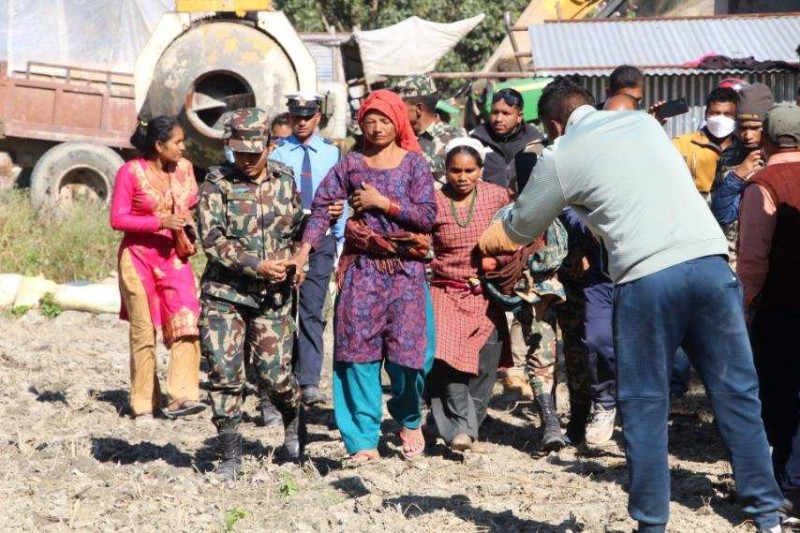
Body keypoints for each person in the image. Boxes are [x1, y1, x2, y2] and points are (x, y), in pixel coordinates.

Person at [479, 78, 785, 533]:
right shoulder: (643, 126)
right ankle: (766, 514)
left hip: (646, 278)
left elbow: (521, 226)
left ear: (554, 123)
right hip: (710, 263)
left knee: (644, 404)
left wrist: (488, 234)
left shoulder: (560, 155)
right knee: (738, 393)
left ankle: (651, 524)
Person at [291, 89, 437, 462]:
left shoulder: (415, 165)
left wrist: (382, 203)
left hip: (405, 270)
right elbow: (322, 207)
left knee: (409, 357)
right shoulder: (351, 165)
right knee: (357, 353)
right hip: (362, 269)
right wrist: (304, 251)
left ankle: (407, 416)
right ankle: (362, 440)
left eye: (384, 120)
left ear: (398, 122)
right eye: (369, 120)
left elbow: (426, 216)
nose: (376, 127)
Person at [197, 108, 307, 481]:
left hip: (272, 298)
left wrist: (297, 262)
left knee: (274, 376)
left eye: (253, 152)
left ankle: (293, 419)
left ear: (270, 145)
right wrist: (254, 264)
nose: (244, 160)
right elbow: (212, 239)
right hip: (224, 295)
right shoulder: (216, 183)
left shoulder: (285, 180)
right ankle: (230, 454)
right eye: (238, 152)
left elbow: (296, 229)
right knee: (224, 375)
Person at [110, 116, 206, 421]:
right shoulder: (130, 172)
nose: (182, 147)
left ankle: (183, 396)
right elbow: (118, 219)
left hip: (173, 257)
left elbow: (190, 205)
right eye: (177, 142)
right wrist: (159, 222)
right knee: (143, 331)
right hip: (137, 258)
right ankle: (143, 405)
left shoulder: (185, 169)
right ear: (158, 145)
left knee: (187, 319)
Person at [738, 103, 800, 520]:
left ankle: (789, 486)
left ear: (767, 138)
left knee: (779, 397)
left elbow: (753, 259)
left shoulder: (765, 183)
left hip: (782, 308)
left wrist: (742, 309)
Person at [427, 137, 507, 452]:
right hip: (445, 289)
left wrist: (498, 267)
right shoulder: (432, 202)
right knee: (447, 360)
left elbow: (517, 236)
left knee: (485, 363)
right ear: (444, 170)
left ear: (481, 170)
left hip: (485, 292)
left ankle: (470, 427)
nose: (462, 178)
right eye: (455, 171)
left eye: (470, 170)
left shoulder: (497, 197)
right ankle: (460, 428)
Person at [270, 92, 345, 409]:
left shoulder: (333, 153)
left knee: (313, 310)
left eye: (307, 116)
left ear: (318, 118)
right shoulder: (276, 153)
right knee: (280, 310)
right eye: (295, 117)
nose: (301, 122)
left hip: (322, 239)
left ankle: (310, 381)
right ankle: (278, 378)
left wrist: (340, 243)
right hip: (284, 238)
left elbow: (342, 199)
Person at [711, 82, 775, 265]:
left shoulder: (780, 157)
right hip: (735, 259)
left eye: (755, 128)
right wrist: (738, 176)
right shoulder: (729, 157)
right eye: (742, 127)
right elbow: (722, 213)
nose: (748, 135)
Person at [672, 86, 743, 200]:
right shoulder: (683, 144)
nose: (721, 119)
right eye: (715, 113)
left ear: (736, 117)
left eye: (727, 114)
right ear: (706, 114)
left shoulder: (743, 150)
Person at [393, 75, 466, 185]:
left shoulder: (455, 138)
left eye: (400, 107)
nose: (394, 111)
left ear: (418, 109)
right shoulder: (401, 139)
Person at [470, 88, 544, 191]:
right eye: (495, 112)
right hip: (490, 204)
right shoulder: (476, 140)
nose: (498, 119)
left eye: (506, 113)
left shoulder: (536, 141)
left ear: (519, 116)